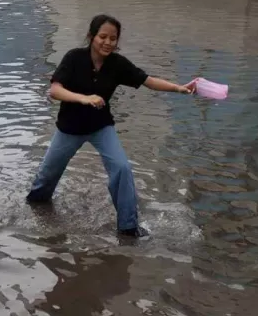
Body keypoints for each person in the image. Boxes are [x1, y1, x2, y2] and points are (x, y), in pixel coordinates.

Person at [26, 14, 195, 238]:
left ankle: (128, 227)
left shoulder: (117, 64)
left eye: (113, 38)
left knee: (122, 168)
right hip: (69, 129)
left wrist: (179, 88)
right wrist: (84, 98)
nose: (108, 42)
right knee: (45, 181)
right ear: (91, 36)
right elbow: (55, 90)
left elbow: (147, 80)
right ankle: (36, 211)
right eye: (103, 37)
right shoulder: (74, 57)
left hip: (101, 127)